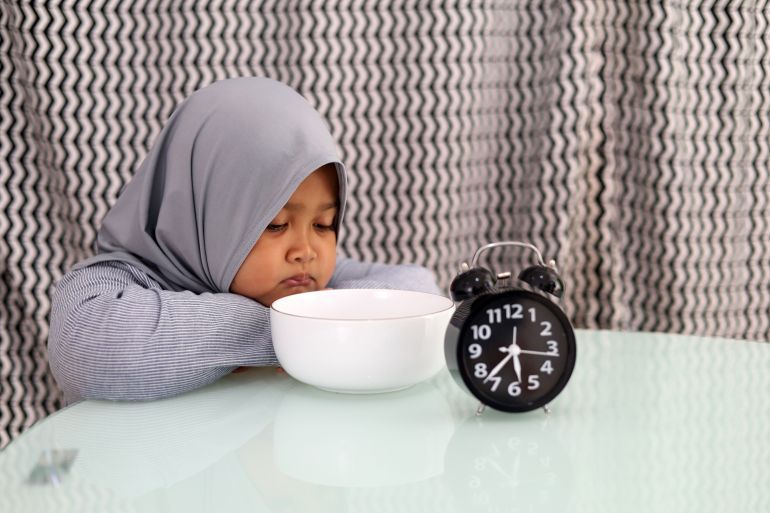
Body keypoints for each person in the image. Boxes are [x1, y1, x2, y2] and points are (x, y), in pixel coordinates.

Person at [48, 77, 441, 402]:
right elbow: (89, 349)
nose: (305, 251)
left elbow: (418, 288)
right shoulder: (109, 288)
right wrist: (301, 332)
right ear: (206, 214)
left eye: (324, 225)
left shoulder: (300, 280)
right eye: (274, 225)